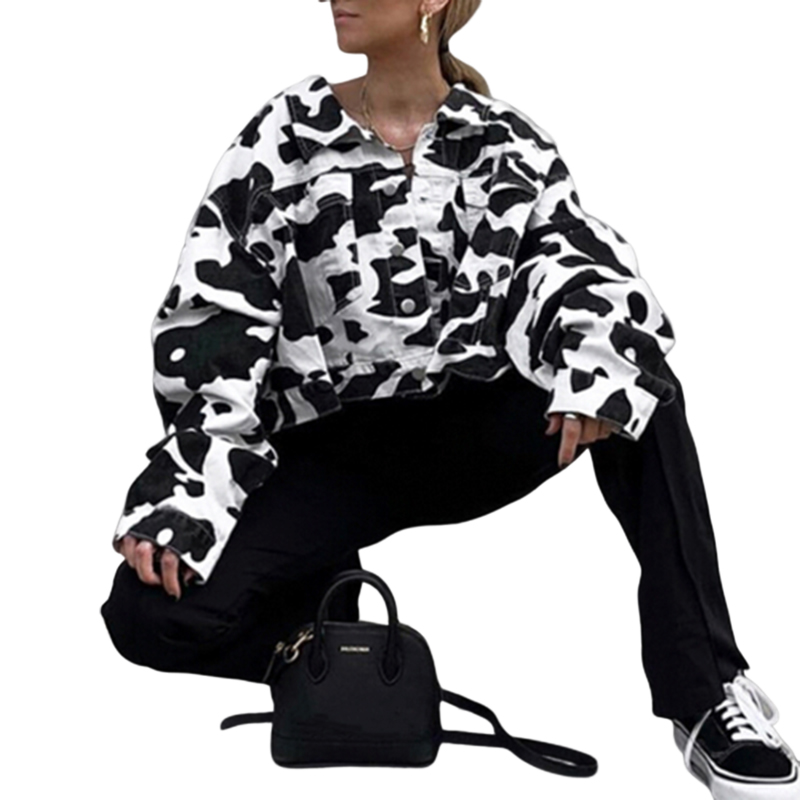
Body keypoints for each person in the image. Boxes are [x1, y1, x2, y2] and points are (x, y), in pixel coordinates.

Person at [99, 1, 798, 795]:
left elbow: (570, 268)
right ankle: (326, 642)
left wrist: (592, 370)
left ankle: (704, 690)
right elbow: (217, 321)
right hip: (326, 450)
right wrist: (186, 495)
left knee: (639, 382)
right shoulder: (283, 136)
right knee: (146, 615)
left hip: (463, 434)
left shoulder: (504, 143)